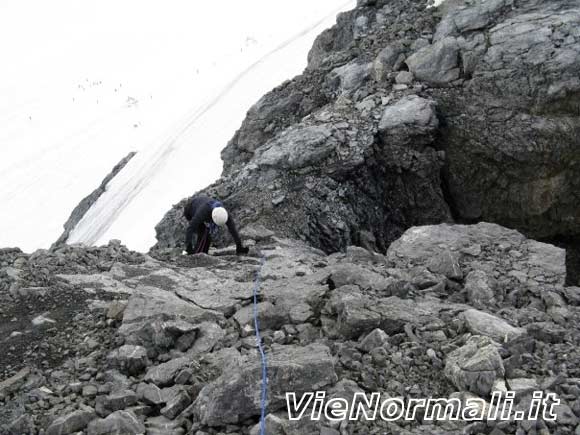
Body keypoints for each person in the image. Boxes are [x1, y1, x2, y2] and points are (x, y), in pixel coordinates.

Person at [184, 195, 249, 255]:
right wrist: (189, 248)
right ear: (212, 218)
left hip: (202, 204)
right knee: (204, 234)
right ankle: (195, 256)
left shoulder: (225, 214)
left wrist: (239, 246)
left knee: (207, 237)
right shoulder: (203, 212)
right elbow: (190, 228)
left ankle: (202, 255)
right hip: (190, 209)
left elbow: (233, 230)